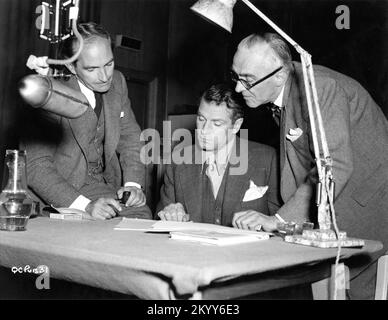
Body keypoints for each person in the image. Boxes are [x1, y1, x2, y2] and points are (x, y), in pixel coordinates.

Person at [231, 32, 388, 299]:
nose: (237, 89)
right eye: (236, 77)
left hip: (367, 209)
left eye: (247, 80)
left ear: (279, 75)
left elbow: (333, 166)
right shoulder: (288, 89)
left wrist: (278, 221)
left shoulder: (319, 87)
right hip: (335, 208)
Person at [21, 22, 151, 220]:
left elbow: (131, 138)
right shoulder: (47, 93)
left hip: (101, 186)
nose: (105, 76)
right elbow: (36, 166)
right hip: (59, 194)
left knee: (139, 215)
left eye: (109, 64)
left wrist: (133, 186)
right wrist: (86, 206)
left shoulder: (118, 82)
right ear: (71, 66)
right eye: (92, 69)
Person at [157, 83, 281, 228]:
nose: (204, 130)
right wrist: (168, 213)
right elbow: (159, 216)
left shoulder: (268, 159)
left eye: (216, 123)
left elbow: (283, 221)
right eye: (201, 119)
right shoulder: (178, 160)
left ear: (236, 125)